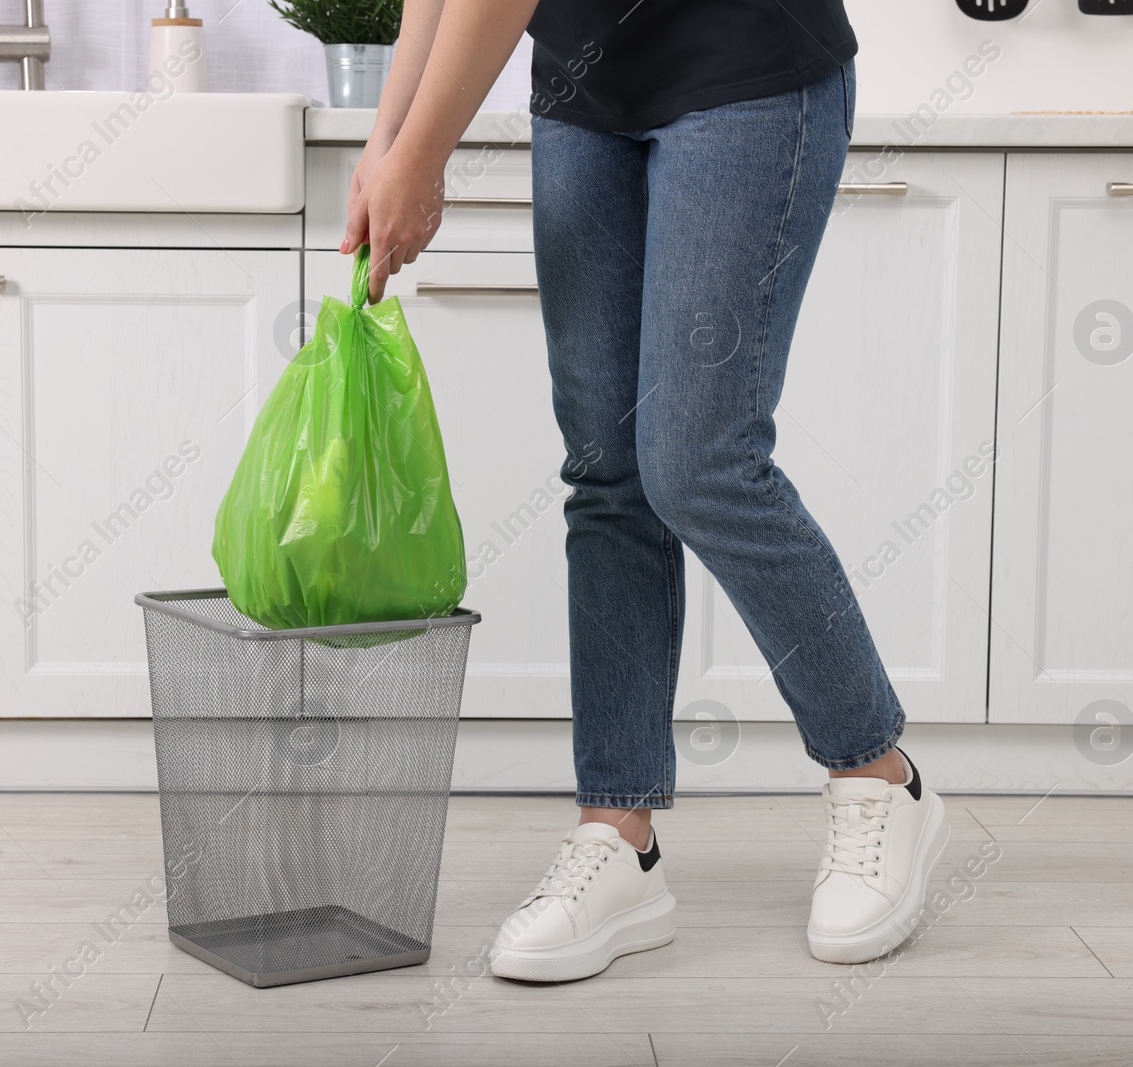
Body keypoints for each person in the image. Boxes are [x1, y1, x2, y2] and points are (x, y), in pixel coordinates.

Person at [341, 0, 950, 981]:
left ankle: (878, 775)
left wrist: (420, 154)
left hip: (745, 68)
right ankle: (620, 836)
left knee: (698, 460)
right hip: (585, 90)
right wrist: (387, 142)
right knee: (607, 472)